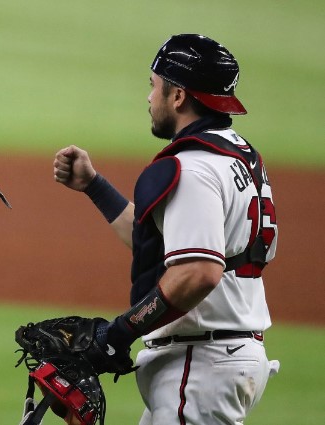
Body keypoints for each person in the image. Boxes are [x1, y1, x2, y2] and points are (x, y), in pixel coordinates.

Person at [53, 34, 279, 424]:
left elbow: (197, 272)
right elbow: (167, 248)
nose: (149, 98)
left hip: (200, 365)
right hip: (219, 358)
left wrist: (118, 333)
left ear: (178, 96)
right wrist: (94, 187)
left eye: (154, 85)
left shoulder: (192, 167)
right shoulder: (236, 156)